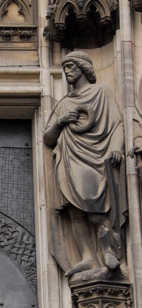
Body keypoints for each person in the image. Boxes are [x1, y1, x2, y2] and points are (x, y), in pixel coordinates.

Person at [43, 51, 127, 277]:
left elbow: (118, 124)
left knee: (96, 209)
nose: (67, 72)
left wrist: (117, 148)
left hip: (96, 157)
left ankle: (108, 251)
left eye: (70, 67)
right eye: (65, 68)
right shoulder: (64, 104)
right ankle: (87, 257)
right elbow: (48, 139)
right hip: (69, 158)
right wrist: (60, 122)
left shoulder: (102, 93)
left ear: (82, 68)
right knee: (75, 212)